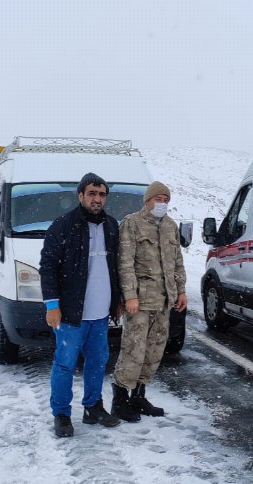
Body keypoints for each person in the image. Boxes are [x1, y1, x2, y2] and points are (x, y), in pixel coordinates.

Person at [39, 172, 121, 437]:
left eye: (102, 194)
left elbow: (115, 267)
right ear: (81, 195)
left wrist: (116, 300)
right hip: (71, 313)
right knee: (65, 364)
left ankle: (93, 407)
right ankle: (61, 414)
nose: (97, 199)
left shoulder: (110, 225)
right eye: (92, 193)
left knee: (98, 362)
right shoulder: (63, 225)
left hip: (100, 312)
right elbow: (48, 266)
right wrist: (52, 304)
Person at [111, 181, 187, 422]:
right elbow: (125, 263)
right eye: (158, 199)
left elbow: (177, 262)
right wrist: (130, 296)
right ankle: (120, 400)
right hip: (140, 302)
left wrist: (181, 290)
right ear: (147, 200)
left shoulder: (170, 226)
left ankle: (139, 396)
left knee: (154, 351)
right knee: (133, 350)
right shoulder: (131, 224)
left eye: (166, 199)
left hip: (164, 302)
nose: (162, 203)